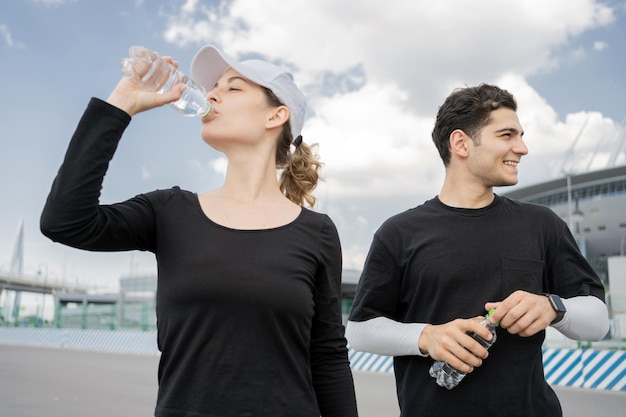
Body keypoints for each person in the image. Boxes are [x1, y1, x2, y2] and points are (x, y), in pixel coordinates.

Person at [40, 44, 358, 417]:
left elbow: (328, 356)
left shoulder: (316, 233)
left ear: (276, 116)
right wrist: (120, 104)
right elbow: (64, 221)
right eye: (213, 86)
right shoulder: (170, 212)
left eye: (233, 87)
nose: (211, 95)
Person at [346, 84, 609, 416]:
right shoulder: (399, 232)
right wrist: (427, 337)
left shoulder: (541, 224)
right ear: (461, 143)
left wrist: (553, 308)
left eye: (521, 135)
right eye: (507, 135)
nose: (523, 148)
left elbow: (598, 321)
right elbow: (359, 329)